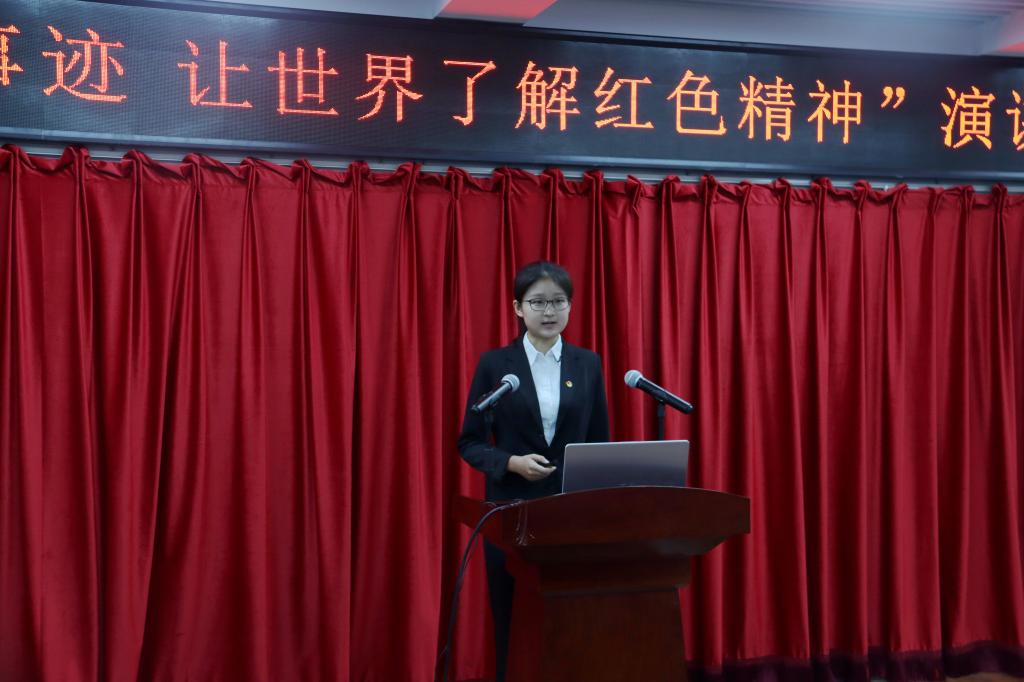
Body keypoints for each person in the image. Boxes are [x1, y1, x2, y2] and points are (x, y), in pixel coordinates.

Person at [457, 260, 610, 682]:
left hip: (570, 515)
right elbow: (469, 442)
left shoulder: (587, 364)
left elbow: (599, 442)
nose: (549, 311)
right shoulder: (495, 365)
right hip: (511, 513)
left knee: (572, 620)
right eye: (538, 302)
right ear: (518, 308)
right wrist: (511, 463)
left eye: (559, 301)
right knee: (513, 619)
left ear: (571, 306)